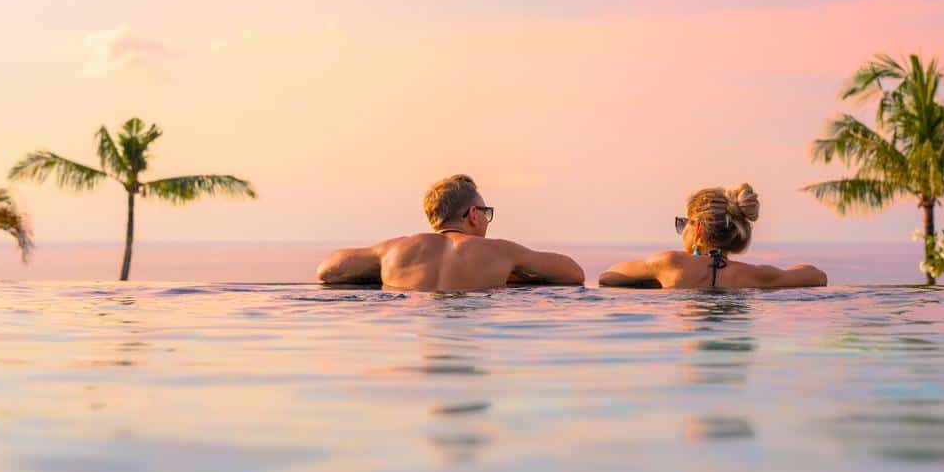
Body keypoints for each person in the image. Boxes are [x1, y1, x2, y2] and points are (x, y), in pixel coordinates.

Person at [316, 174, 584, 291]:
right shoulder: (501, 252)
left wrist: (382, 270)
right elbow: (574, 273)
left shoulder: (393, 250)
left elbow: (327, 270)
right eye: (485, 212)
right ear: (473, 215)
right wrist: (518, 273)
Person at [599, 183, 826, 289]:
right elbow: (817, 276)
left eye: (682, 224)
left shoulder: (669, 264)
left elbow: (608, 276)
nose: (681, 232)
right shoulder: (757, 276)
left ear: (697, 229)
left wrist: (652, 280)